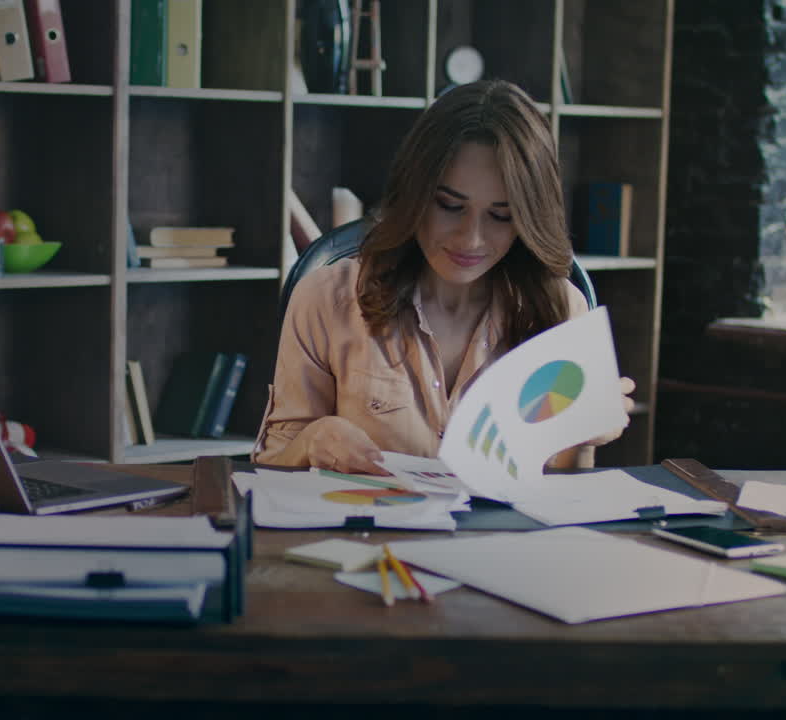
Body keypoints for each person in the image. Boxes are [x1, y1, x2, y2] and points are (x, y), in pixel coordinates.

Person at [252, 79, 634, 475]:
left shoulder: (560, 307)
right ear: (414, 193)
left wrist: (582, 434)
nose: (471, 239)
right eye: (450, 206)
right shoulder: (326, 299)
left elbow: (565, 486)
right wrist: (312, 441)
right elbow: (271, 470)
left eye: (501, 216)